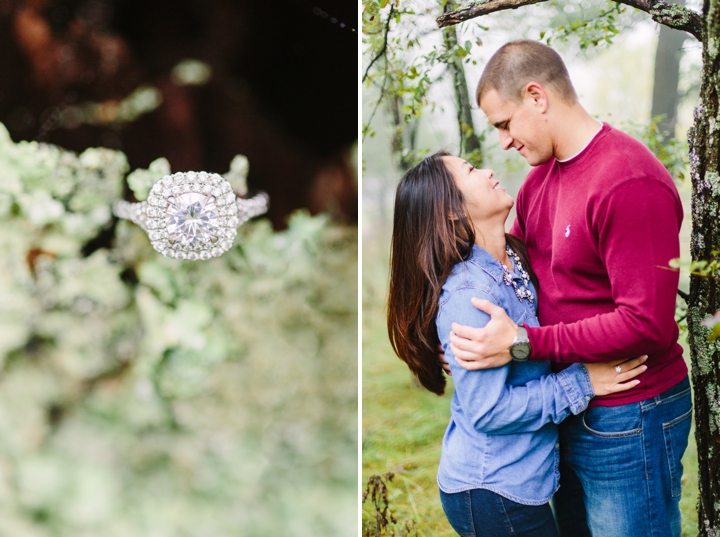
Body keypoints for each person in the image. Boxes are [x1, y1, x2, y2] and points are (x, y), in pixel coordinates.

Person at [444, 40, 692, 537]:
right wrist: (455, 339)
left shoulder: (628, 180)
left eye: (503, 123)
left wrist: (523, 343)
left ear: (537, 97)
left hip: (631, 413)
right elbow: (516, 281)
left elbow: (645, 322)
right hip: (567, 411)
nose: (504, 142)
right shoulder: (538, 185)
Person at [387, 151, 647, 537]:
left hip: (520, 480)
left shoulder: (513, 260)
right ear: (451, 213)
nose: (489, 171)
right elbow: (489, 411)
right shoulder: (470, 295)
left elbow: (522, 346)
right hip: (491, 489)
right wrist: (583, 382)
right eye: (472, 171)